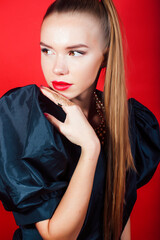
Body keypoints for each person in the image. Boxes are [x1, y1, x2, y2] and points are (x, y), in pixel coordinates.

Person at [0, 0, 159, 239]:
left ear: (105, 56)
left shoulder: (128, 120)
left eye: (75, 52)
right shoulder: (23, 117)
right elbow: (58, 237)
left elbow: (120, 217)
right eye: (47, 50)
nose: (57, 68)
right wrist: (90, 148)